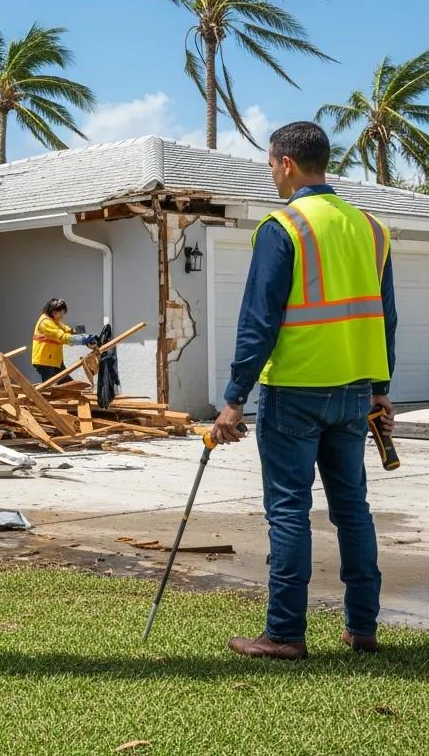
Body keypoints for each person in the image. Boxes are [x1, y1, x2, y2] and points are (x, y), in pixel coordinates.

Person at [212, 121, 397, 660]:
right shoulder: (370, 227)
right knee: (353, 510)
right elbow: (385, 317)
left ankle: (286, 634)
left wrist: (233, 398)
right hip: (353, 392)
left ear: (286, 163)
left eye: (270, 164)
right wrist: (381, 389)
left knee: (289, 511)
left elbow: (258, 321)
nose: (271, 173)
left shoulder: (284, 227)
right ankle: (362, 627)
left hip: (294, 389)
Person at [31, 298, 95, 382]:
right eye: (62, 313)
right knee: (50, 387)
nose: (62, 316)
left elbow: (65, 329)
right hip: (45, 361)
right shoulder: (45, 323)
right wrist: (83, 340)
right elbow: (63, 337)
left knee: (67, 383)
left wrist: (75, 332)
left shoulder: (53, 320)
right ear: (54, 312)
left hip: (53, 360)